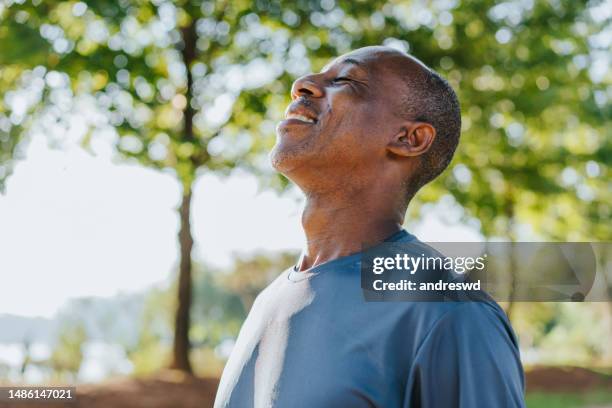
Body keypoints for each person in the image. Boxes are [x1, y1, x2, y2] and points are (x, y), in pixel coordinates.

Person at [214, 46, 525, 408]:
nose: (302, 85)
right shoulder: (269, 301)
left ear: (409, 139)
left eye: (344, 80)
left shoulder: (448, 313)